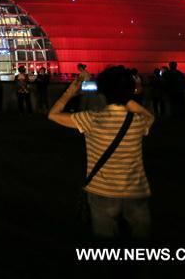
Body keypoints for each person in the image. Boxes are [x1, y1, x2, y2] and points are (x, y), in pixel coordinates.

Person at [47, 65, 155, 242]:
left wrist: (70, 91)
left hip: (101, 191)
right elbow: (147, 114)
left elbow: (53, 114)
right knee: (141, 243)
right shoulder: (139, 121)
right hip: (136, 191)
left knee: (105, 244)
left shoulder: (91, 119)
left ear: (103, 92)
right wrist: (124, 96)